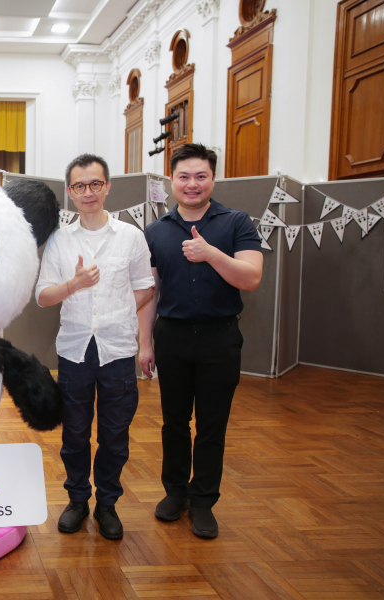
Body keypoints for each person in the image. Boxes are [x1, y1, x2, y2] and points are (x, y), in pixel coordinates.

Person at [138, 143, 263, 539]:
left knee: (212, 424)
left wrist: (211, 254)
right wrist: (145, 344)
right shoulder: (155, 231)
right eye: (184, 176)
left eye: (200, 176)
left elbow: (251, 278)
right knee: (174, 422)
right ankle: (175, 492)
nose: (192, 184)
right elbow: (150, 293)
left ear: (213, 178)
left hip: (219, 338)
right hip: (171, 337)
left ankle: (204, 500)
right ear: (171, 180)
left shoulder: (237, 223)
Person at [36, 154, 154, 539]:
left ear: (107, 186)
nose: (88, 192)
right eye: (80, 186)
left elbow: (145, 287)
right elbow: (43, 297)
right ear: (70, 192)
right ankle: (77, 500)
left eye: (95, 184)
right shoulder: (59, 240)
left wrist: (116, 313)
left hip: (117, 349)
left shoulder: (131, 237)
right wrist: (74, 285)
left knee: (114, 433)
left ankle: (107, 504)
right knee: (74, 432)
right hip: (75, 350)